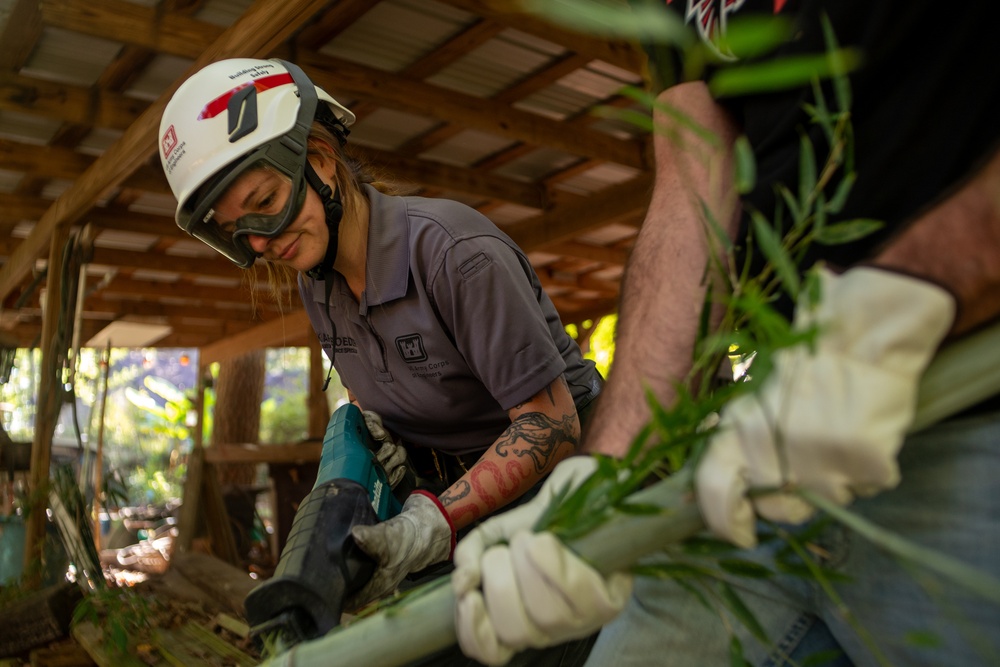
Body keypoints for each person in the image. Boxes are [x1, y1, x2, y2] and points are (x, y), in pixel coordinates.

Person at [451, 1, 1000, 666]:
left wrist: (919, 288)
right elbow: (692, 181)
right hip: (757, 453)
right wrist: (605, 476)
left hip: (970, 413)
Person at [156, 57, 604, 648]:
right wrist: (387, 445)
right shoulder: (316, 282)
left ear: (319, 162)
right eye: (239, 231)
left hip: (576, 491)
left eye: (265, 200)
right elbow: (373, 392)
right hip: (459, 503)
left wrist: (431, 523)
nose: (261, 241)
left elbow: (551, 421)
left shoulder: (453, 254)